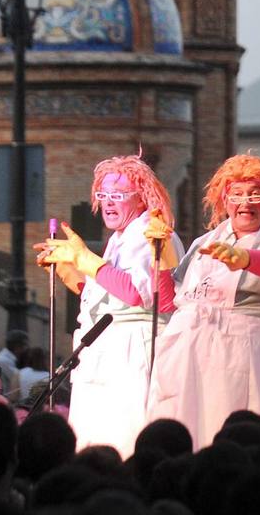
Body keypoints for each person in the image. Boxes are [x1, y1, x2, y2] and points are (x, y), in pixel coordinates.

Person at [147, 154, 260, 447]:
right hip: (190, 351)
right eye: (237, 194)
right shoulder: (202, 244)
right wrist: (160, 256)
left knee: (234, 431)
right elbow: (171, 300)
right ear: (224, 199)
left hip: (244, 350)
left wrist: (247, 259)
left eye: (255, 193)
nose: (246, 202)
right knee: (186, 434)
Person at [37, 152, 181, 455]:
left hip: (130, 354)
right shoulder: (119, 238)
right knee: (93, 438)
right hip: (106, 351)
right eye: (103, 194)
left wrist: (83, 258)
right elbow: (109, 298)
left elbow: (135, 294)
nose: (109, 202)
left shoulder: (148, 233)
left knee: (122, 439)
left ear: (141, 198)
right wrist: (69, 271)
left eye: (118, 194)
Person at [0, 330, 29, 401]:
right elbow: (20, 379)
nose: (25, 349)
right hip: (3, 401)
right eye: (24, 346)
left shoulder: (8, 358)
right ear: (17, 346)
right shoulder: (3, 360)